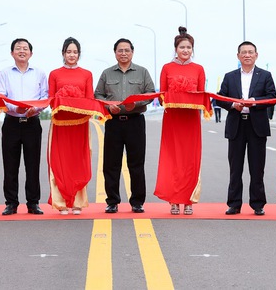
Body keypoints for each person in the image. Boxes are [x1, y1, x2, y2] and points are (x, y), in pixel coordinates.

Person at [95, 38, 155, 214]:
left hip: (135, 121)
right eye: (120, 50)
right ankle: (112, 201)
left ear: (132, 52)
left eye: (126, 50)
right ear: (115, 53)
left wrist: (135, 104)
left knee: (136, 163)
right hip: (113, 122)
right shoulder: (107, 73)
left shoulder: (142, 72)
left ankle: (137, 202)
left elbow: (151, 93)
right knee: (111, 164)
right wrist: (108, 106)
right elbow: (97, 94)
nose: (123, 53)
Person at [217, 41, 276, 216]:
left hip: (256, 123)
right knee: (235, 167)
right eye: (244, 52)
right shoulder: (230, 76)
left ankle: (258, 204)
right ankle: (234, 204)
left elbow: (272, 97)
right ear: (238, 56)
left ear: (256, 55)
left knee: (257, 167)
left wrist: (254, 101)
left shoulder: (265, 75)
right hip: (236, 123)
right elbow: (220, 98)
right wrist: (232, 104)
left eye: (251, 52)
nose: (247, 55)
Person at [154, 27, 206, 215]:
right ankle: (174, 200)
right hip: (173, 120)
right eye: (182, 47)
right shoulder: (167, 68)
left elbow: (201, 94)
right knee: (172, 159)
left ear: (193, 49)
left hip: (191, 120)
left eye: (189, 47)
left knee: (190, 159)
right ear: (175, 49)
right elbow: (161, 95)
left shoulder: (198, 69)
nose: (185, 50)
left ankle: (189, 199)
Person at [0, 38, 48, 215]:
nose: (21, 51)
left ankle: (33, 203)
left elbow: (45, 97)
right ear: (12, 53)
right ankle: (11, 203)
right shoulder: (4, 73)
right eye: (18, 48)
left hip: (32, 123)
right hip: (11, 122)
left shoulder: (39, 73)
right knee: (10, 165)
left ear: (31, 53)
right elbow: (1, 97)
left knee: (32, 165)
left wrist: (36, 109)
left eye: (25, 48)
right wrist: (15, 108)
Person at [47, 37, 94, 215]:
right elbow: (51, 100)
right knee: (60, 162)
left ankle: (77, 202)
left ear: (79, 54)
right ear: (63, 53)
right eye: (68, 52)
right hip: (60, 124)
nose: (72, 55)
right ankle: (61, 202)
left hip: (80, 124)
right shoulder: (55, 74)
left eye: (75, 52)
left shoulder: (86, 74)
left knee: (78, 162)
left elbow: (89, 99)